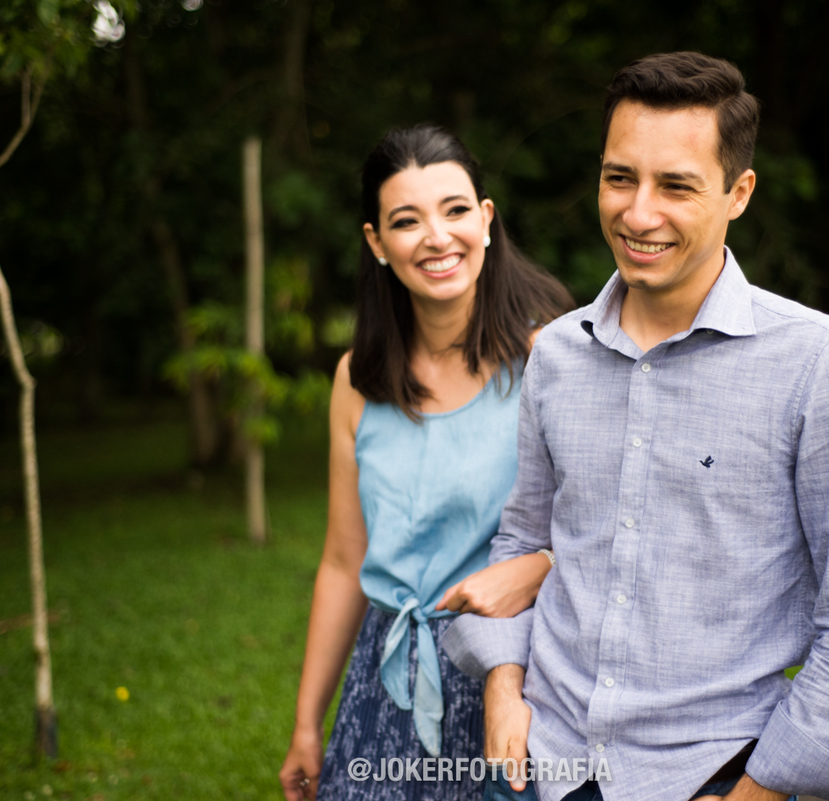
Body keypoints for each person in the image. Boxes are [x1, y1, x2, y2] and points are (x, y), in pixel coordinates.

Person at [443, 52, 829, 801]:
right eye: (619, 177)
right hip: (546, 766)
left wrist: (756, 792)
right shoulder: (556, 355)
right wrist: (504, 685)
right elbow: (525, 543)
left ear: (739, 192)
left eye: (677, 185)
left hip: (709, 775)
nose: (637, 212)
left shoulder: (818, 364)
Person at [279, 124, 574, 801]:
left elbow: (612, 525)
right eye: (406, 221)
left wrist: (536, 565)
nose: (437, 236)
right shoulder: (358, 379)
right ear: (377, 243)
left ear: (487, 219)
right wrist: (305, 721)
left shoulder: (550, 358)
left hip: (514, 678)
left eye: (455, 209)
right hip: (384, 689)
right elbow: (342, 559)